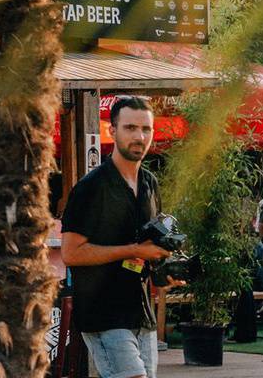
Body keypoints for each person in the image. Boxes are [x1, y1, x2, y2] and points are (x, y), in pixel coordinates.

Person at [62, 96, 174, 378]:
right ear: (112, 131)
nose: (140, 136)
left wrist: (163, 267)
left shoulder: (149, 183)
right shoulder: (92, 187)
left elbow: (149, 242)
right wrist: (133, 250)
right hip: (103, 312)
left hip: (141, 311)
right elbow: (71, 253)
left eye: (146, 129)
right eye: (130, 128)